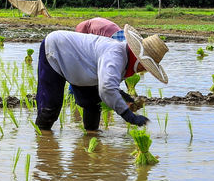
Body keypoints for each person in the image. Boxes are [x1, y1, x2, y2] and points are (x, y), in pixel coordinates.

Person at [34, 24, 168, 132]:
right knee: (50, 107)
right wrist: (129, 116)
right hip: (56, 49)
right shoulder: (115, 54)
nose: (143, 70)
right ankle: (42, 140)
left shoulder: (124, 58)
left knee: (92, 106)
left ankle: (90, 138)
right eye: (145, 66)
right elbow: (107, 88)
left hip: (81, 66)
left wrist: (126, 98)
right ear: (139, 61)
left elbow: (106, 83)